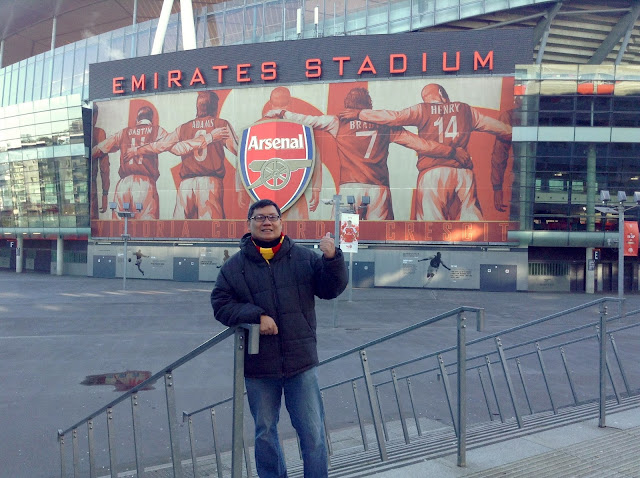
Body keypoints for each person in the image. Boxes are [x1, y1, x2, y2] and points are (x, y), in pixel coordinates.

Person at [211, 198, 348, 478]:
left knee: (312, 432)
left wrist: (332, 259)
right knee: (265, 433)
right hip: (259, 366)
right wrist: (255, 316)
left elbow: (330, 289)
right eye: (260, 218)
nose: (267, 222)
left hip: (301, 363)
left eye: (272, 217)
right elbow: (221, 304)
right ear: (249, 224)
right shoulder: (234, 267)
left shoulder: (304, 258)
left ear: (281, 222)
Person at [267, 87, 469, 220]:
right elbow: (421, 145)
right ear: (369, 106)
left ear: (347, 105)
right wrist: (451, 151)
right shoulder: (385, 126)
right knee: (379, 239)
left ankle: (347, 271)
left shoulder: (337, 122)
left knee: (343, 241)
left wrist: (282, 113)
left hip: (349, 189)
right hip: (378, 190)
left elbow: (308, 120)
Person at [339, 83, 511, 221]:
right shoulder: (466, 110)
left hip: (432, 173)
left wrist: (360, 114)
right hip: (463, 172)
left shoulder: (422, 109)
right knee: (471, 219)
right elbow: (501, 129)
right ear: (442, 94)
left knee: (430, 224)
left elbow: (394, 117)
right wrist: (523, 133)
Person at [127, 91, 238, 219]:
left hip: (186, 184)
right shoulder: (221, 125)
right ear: (214, 107)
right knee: (210, 227)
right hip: (209, 182)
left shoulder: (184, 128)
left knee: (180, 226)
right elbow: (238, 150)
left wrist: (138, 150)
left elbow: (162, 145)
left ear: (198, 107)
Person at [92, 104, 169, 219]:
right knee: (146, 225)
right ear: (151, 119)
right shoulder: (157, 130)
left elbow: (99, 149)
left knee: (119, 225)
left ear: (137, 119)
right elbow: (171, 143)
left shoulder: (124, 132)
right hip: (145, 183)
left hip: (123, 184)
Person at [90, 105, 109, 219]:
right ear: (95, 116)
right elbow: (104, 166)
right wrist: (105, 194)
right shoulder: (98, 133)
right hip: (91, 186)